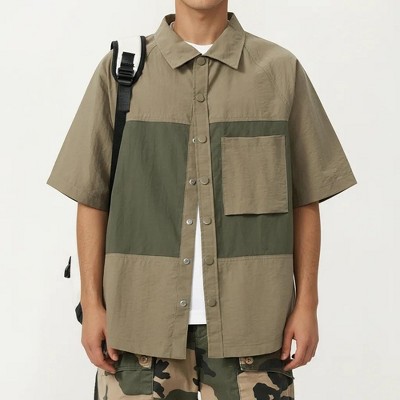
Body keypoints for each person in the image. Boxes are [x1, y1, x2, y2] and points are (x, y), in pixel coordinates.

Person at [46, 0, 357, 399]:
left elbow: (304, 199)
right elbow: (92, 198)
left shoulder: (279, 71)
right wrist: (91, 305)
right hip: (138, 331)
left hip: (255, 331)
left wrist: (307, 303)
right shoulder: (122, 71)